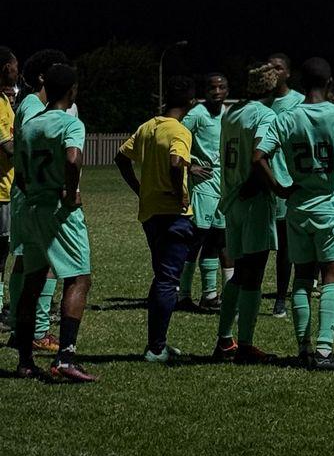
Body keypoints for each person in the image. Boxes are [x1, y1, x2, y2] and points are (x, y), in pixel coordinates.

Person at [11, 62, 97, 381]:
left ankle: (24, 360)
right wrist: (70, 190)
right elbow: (73, 157)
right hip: (57, 210)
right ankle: (65, 358)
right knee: (78, 278)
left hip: (30, 208)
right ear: (72, 91)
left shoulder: (30, 125)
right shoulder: (70, 122)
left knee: (32, 283)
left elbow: (19, 173)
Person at [273, 56, 334, 369]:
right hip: (330, 209)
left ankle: (303, 348)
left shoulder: (287, 118)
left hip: (297, 209)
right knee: (333, 276)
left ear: (299, 83)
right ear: (330, 81)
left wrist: (282, 188)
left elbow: (259, 156)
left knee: (303, 278)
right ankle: (323, 351)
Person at [115, 76, 199, 362]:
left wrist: (139, 188)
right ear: (190, 102)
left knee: (162, 276)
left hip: (150, 213)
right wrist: (180, 194)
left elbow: (121, 157)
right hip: (173, 214)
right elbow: (176, 163)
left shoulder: (148, 127)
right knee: (168, 280)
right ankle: (156, 349)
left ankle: (156, 342)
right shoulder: (180, 131)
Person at [214, 62, 294, 363]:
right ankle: (245, 345)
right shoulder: (265, 114)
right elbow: (260, 156)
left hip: (231, 199)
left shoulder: (232, 113)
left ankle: (224, 340)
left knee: (239, 273)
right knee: (254, 273)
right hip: (253, 199)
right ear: (273, 87)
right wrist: (276, 187)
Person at [5, 48, 69, 353]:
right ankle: (37, 329)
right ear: (44, 77)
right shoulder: (33, 106)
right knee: (44, 263)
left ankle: (21, 328)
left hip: (27, 192)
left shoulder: (32, 103)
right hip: (36, 194)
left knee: (27, 262)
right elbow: (33, 141)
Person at [179, 72, 232, 310]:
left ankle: (209, 295)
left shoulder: (228, 114)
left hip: (223, 184)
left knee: (217, 239)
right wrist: (190, 165)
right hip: (204, 185)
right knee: (196, 238)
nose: (217, 92)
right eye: (213, 88)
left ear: (227, 91)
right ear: (205, 91)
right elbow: (177, 139)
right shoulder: (197, 115)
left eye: (222, 87)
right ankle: (182, 295)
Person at [267, 53, 302, 318]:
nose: (273, 72)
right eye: (269, 68)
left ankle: (281, 297)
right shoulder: (258, 104)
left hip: (287, 182)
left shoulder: (299, 102)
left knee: (286, 247)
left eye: (278, 68)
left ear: (287, 72)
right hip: (260, 184)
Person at [0, 45, 17, 328]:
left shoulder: (5, 100)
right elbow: (9, 146)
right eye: (15, 65)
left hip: (8, 188)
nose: (18, 70)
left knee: (4, 253)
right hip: (0, 191)